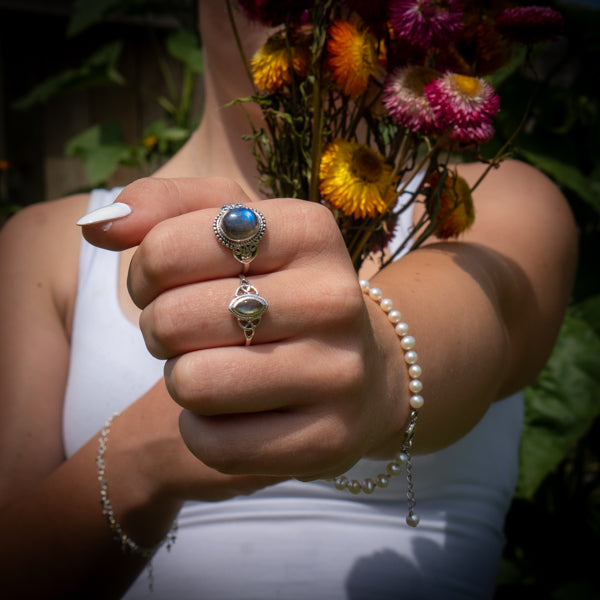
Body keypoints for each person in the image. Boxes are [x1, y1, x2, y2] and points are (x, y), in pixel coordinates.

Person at [0, 2, 577, 599]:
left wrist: (374, 363)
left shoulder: (485, 204)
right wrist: (138, 462)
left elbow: (478, 306)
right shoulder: (43, 248)